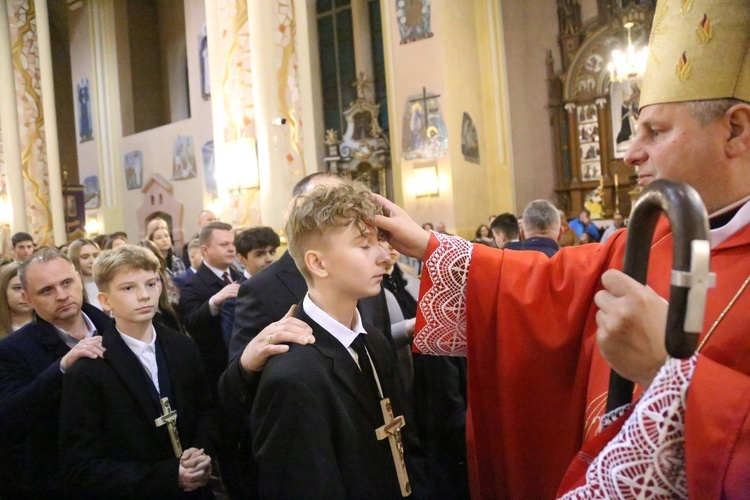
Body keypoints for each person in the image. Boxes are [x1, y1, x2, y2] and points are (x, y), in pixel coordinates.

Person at [371, 0, 750, 493]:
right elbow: (544, 288)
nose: (631, 152)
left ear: (735, 130)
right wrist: (426, 244)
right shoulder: (647, 238)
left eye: (655, 131)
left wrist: (669, 370)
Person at [250, 179, 425, 497]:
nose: (385, 257)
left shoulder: (372, 339)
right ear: (318, 262)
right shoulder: (292, 377)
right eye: (363, 244)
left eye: (379, 241)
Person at [59, 245, 214, 499]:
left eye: (151, 284)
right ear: (105, 301)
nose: (144, 295)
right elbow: (81, 466)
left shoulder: (183, 346)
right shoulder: (90, 368)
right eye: (129, 288)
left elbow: (205, 410)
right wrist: (167, 476)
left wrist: (200, 453)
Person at [0, 248, 111, 498]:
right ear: (28, 299)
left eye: (67, 283)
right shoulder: (12, 350)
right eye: (47, 290)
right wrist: (62, 367)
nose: (62, 295)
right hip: (62, 482)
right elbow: (10, 419)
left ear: (79, 281)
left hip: (127, 475)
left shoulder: (116, 328)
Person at [177, 221, 248, 498]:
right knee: (230, 443)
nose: (231, 248)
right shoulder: (194, 283)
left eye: (232, 243)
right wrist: (214, 302)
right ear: (205, 249)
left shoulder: (239, 274)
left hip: (244, 367)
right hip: (215, 372)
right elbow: (190, 322)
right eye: (224, 244)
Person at [220, 226, 280, 346]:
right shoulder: (234, 300)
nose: (269, 259)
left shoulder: (283, 285)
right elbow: (236, 346)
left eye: (272, 251)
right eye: (260, 254)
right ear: (242, 258)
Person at [68, 238, 103, 310]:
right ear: (75, 260)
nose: (92, 261)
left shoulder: (108, 281)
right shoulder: (71, 288)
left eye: (95, 256)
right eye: (85, 257)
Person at [0, 263, 33, 338]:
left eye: (30, 288)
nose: (25, 295)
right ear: (3, 290)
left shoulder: (52, 326)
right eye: (18, 288)